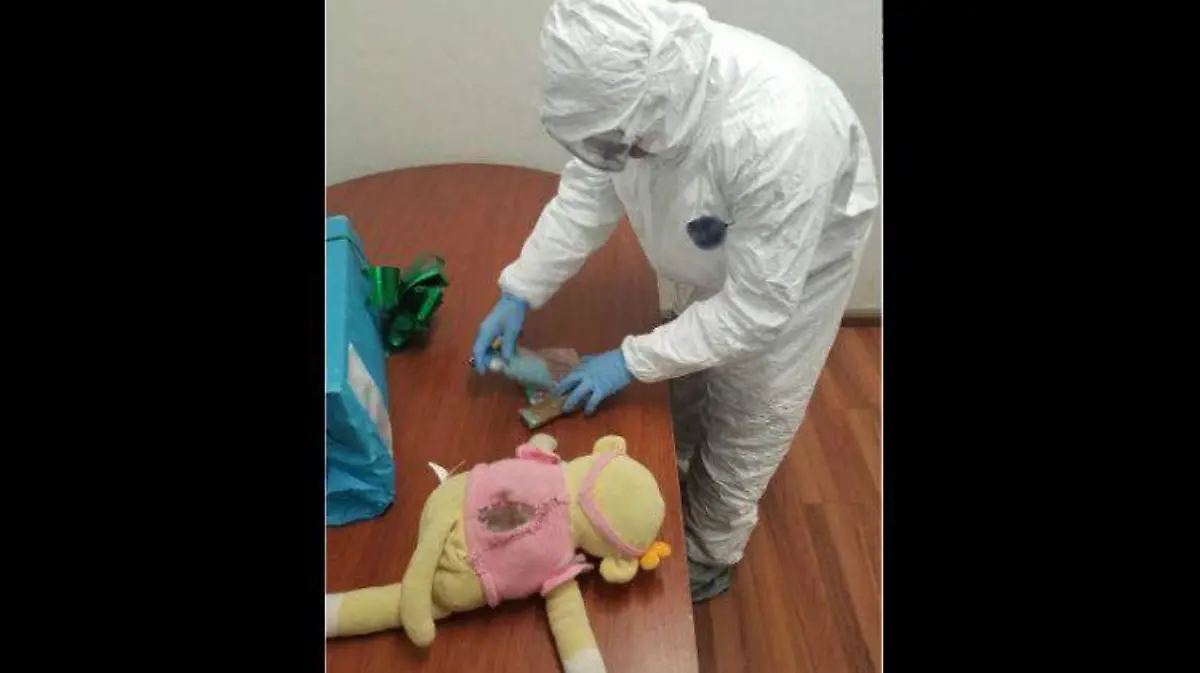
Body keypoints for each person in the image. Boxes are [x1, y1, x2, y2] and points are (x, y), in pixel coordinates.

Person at [472, 0, 878, 603]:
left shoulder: (777, 132)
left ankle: (710, 550)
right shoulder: (629, 96)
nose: (614, 148)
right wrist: (520, 289)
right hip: (721, 237)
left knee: (751, 410)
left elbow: (756, 309)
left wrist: (628, 360)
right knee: (688, 363)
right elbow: (589, 191)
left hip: (797, 265)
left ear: (659, 100)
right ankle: (675, 464)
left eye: (622, 138)